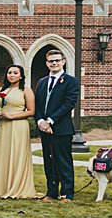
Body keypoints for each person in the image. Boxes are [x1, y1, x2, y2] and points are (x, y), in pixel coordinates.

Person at [32, 47, 80, 199]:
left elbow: (68, 105)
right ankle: (51, 192)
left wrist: (50, 121)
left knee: (63, 162)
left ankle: (67, 193)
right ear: (47, 64)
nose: (54, 63)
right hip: (44, 129)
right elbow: (37, 104)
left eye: (57, 60)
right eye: (51, 61)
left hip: (61, 129)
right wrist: (40, 121)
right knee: (49, 161)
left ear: (63, 62)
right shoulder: (41, 82)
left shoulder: (71, 82)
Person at [0, 63, 36, 199]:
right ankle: (2, 187)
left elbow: (31, 111)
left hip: (18, 126)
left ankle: (17, 186)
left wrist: (12, 116)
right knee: (5, 154)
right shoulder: (2, 90)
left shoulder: (26, 91)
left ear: (21, 76)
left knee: (17, 153)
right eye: (9, 73)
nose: (12, 75)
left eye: (15, 73)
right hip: (4, 126)